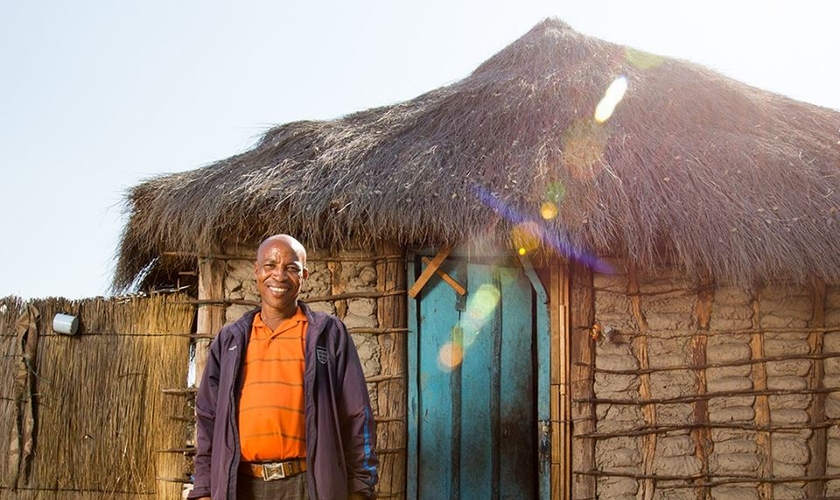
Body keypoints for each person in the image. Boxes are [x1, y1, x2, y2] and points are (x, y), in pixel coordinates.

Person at [189, 234, 378, 500]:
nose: (279, 275)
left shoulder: (327, 334)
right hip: (241, 486)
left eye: (291, 268)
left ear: (305, 276)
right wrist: (204, 490)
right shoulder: (230, 340)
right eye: (270, 265)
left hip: (308, 485)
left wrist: (360, 488)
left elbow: (357, 414)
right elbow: (208, 419)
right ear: (257, 271)